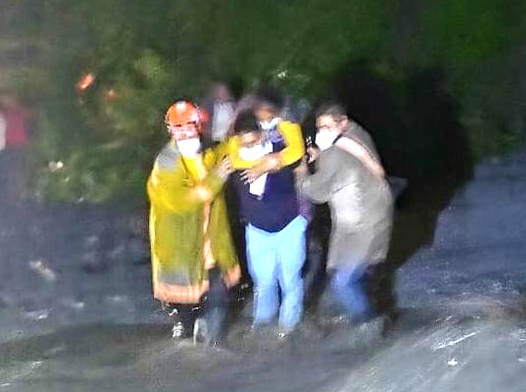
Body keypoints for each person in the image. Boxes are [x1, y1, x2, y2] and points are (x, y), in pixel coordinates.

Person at [146, 100, 240, 345]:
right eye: (178, 127)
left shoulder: (208, 150)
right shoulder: (166, 163)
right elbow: (181, 201)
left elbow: (232, 149)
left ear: (200, 125)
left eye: (190, 125)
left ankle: (214, 346)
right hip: (180, 246)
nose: (185, 131)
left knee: (220, 294)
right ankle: (188, 336)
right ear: (170, 129)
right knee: (184, 304)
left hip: (211, 242)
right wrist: (216, 179)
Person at [295, 102, 393, 324]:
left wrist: (301, 173)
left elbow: (316, 192)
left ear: (343, 123)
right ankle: (375, 307)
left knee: (343, 281)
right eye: (319, 128)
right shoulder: (358, 134)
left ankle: (368, 324)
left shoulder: (335, 155)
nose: (322, 133)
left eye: (327, 127)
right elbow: (345, 163)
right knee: (342, 271)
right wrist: (322, 156)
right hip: (367, 216)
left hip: (363, 223)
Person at [228, 110, 307, 334]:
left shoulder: (282, 154)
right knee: (263, 282)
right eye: (244, 144)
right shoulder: (236, 161)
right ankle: (262, 325)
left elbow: (298, 156)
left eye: (253, 142)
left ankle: (287, 328)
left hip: (289, 227)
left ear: (262, 135)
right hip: (257, 231)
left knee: (290, 280)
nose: (249, 147)